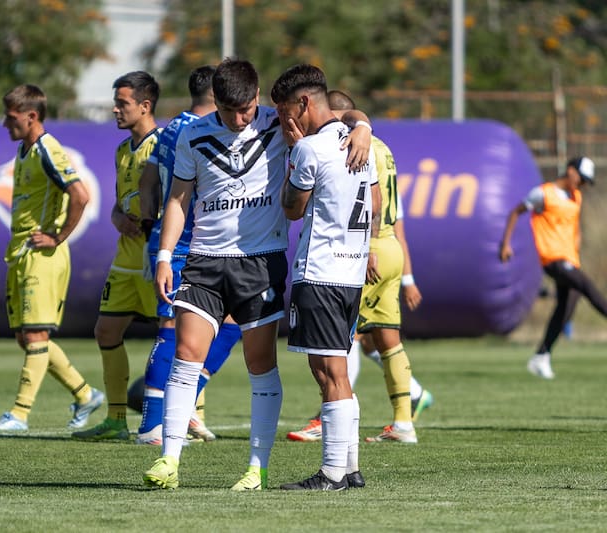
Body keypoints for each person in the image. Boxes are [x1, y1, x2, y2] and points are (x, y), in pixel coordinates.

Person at [142, 58, 372, 491]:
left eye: (247, 108)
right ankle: (168, 461)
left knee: (260, 365)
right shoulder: (194, 133)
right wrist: (164, 254)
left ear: (255, 99)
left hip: (260, 262)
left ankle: (256, 467)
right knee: (186, 353)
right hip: (205, 259)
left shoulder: (280, 122)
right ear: (218, 102)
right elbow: (178, 198)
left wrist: (364, 128)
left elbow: (342, 114)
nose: (241, 118)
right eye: (232, 111)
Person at [286, 90, 433, 444]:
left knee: (343, 338)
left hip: (369, 248)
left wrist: (366, 247)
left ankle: (328, 416)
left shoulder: (354, 146)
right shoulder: (382, 146)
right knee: (383, 339)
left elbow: (374, 201)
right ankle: (404, 418)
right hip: (391, 247)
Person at [271, 65, 379, 491]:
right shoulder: (358, 141)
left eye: (284, 112)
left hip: (321, 272)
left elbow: (292, 208)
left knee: (327, 372)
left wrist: (293, 155)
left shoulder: (310, 149)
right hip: (350, 271)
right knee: (338, 373)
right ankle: (349, 467)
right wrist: (363, 123)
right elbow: (372, 195)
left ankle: (332, 472)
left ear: (303, 104)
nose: (283, 122)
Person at [0, 84, 103, 431]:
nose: (6, 125)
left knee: (36, 335)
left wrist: (57, 236)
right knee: (27, 339)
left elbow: (80, 195)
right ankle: (85, 395)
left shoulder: (48, 149)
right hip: (22, 252)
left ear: (31, 116)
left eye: (11, 118)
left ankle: (19, 414)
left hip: (43, 255)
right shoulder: (25, 150)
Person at [135, 65, 242, 445]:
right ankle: (151, 423)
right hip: (184, 245)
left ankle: (185, 403)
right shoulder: (197, 131)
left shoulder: (166, 131)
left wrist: (150, 220)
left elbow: (147, 183)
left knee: (230, 322)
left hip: (194, 243)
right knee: (171, 330)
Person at [72, 71, 161, 441]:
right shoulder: (122, 150)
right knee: (106, 330)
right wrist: (118, 219)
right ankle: (115, 419)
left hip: (158, 257)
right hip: (125, 259)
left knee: (175, 335)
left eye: (122, 103)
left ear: (145, 105)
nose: (115, 109)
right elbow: (115, 204)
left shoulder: (164, 145)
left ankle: (189, 416)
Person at [500, 156, 606, 379]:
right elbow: (515, 212)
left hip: (569, 258)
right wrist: (506, 243)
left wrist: (577, 240)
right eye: (582, 179)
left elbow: (573, 225)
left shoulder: (576, 197)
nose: (583, 185)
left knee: (569, 302)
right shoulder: (543, 193)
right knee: (586, 286)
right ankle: (542, 355)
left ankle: (541, 355)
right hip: (552, 258)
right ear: (570, 171)